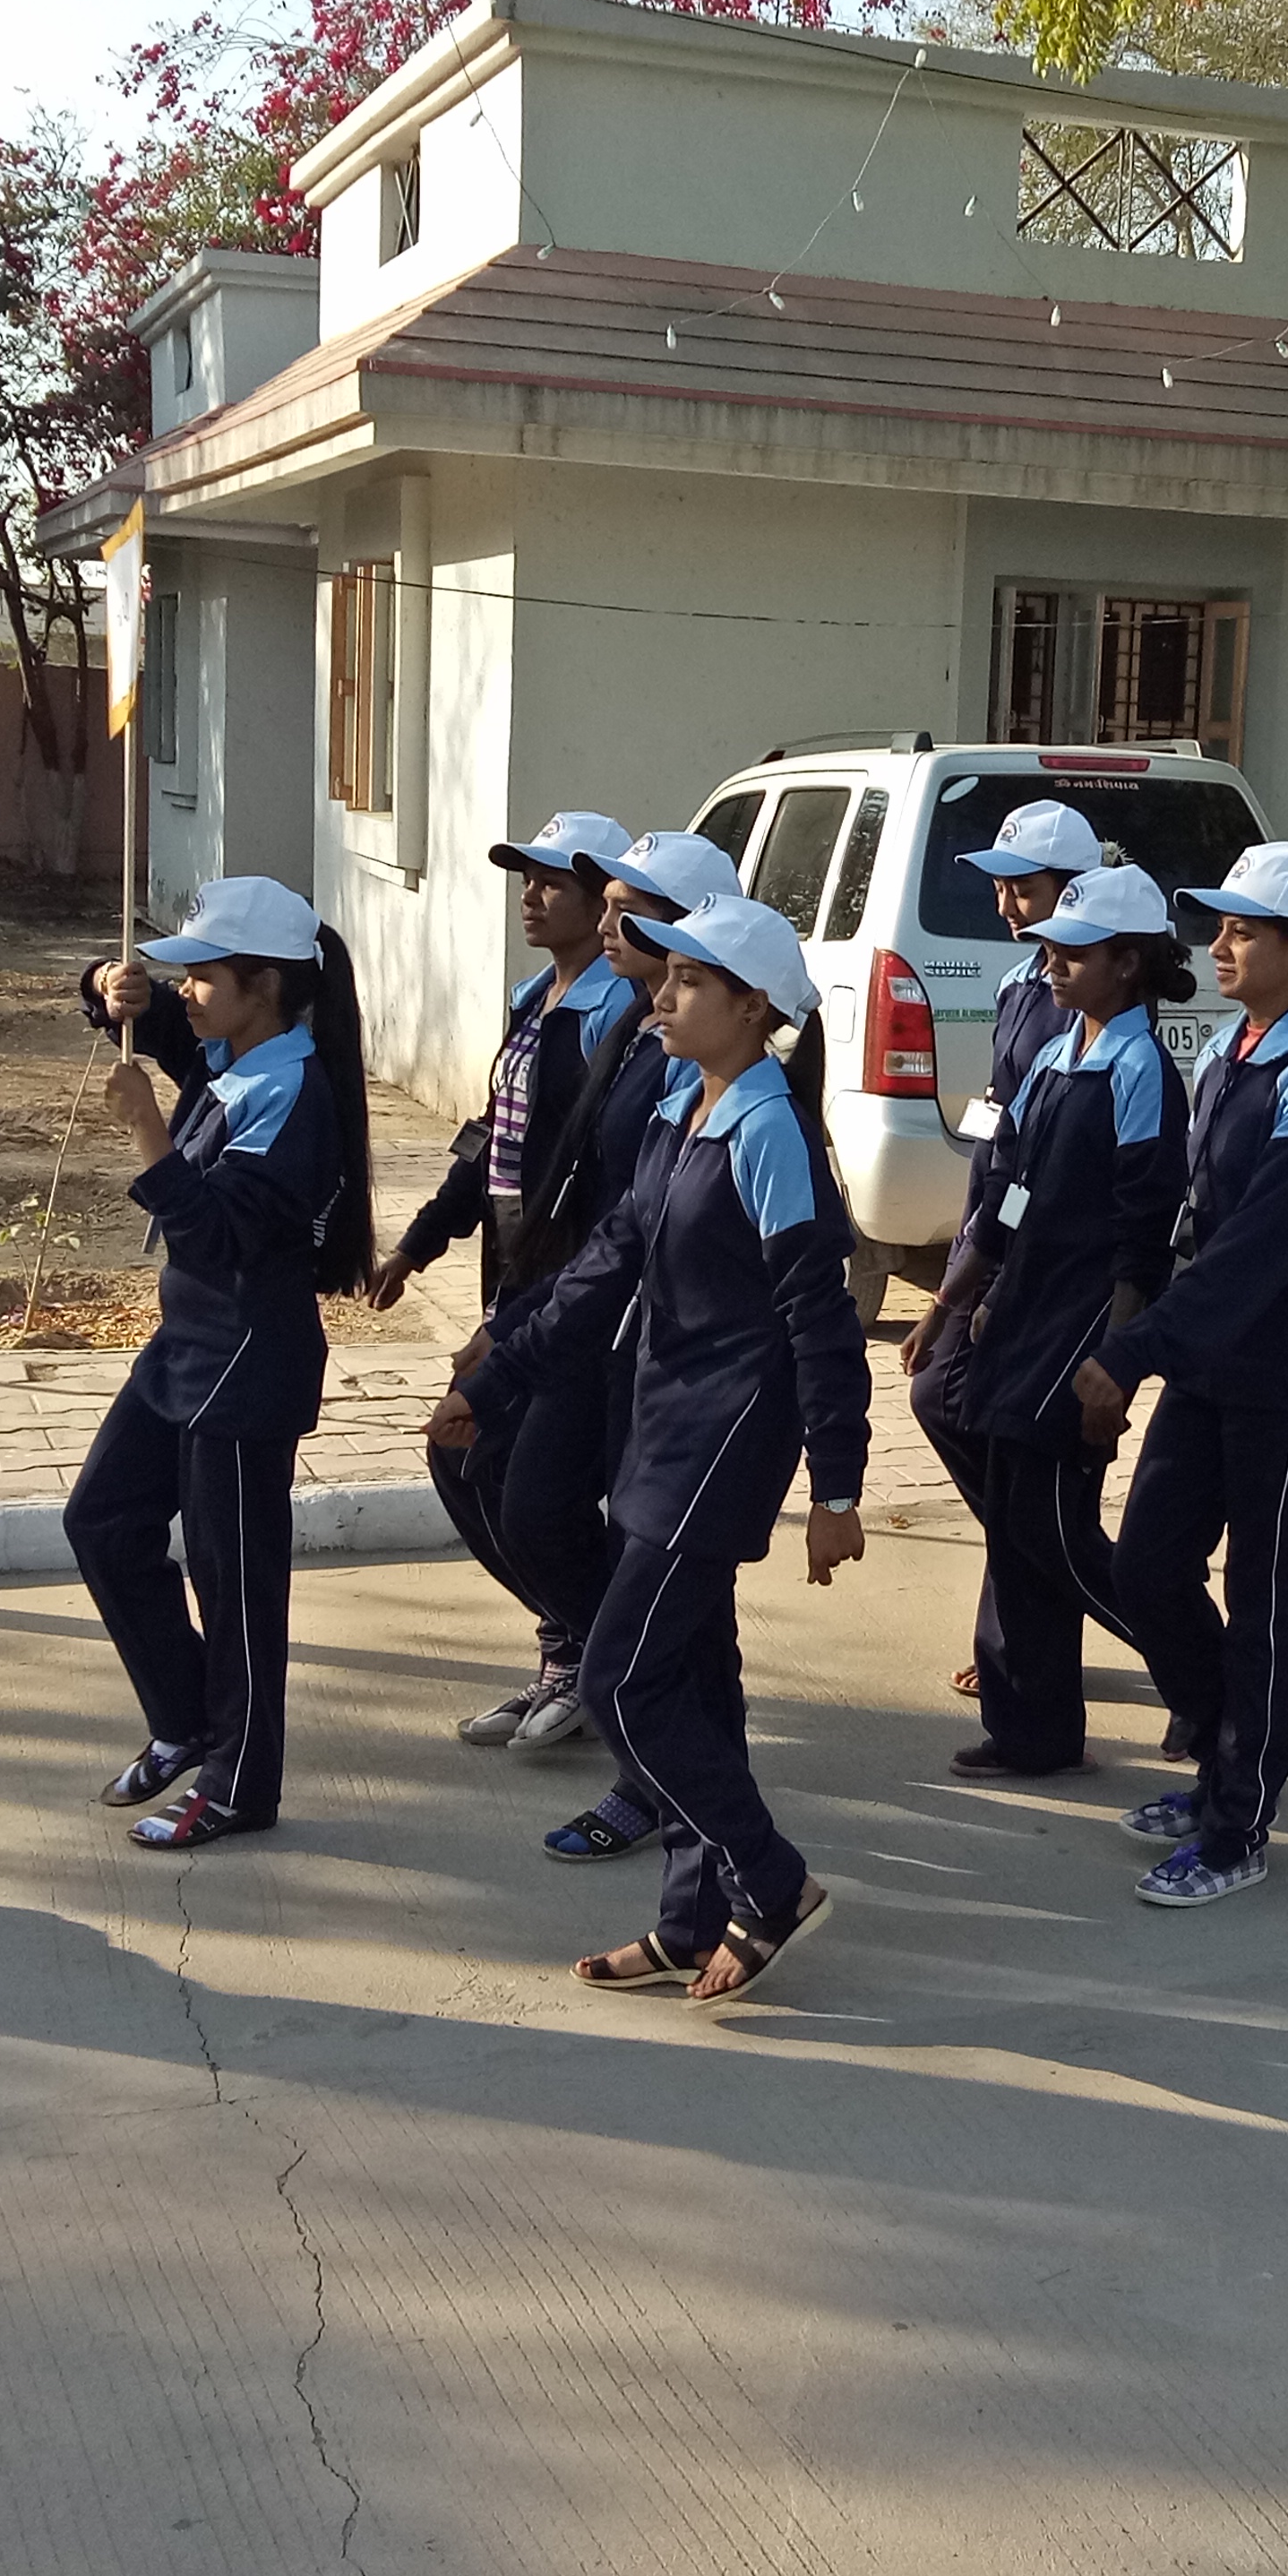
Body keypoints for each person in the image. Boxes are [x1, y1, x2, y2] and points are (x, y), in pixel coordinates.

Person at [434, 892, 866, 2006]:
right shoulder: (685, 1108)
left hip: (724, 1444)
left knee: (620, 1680)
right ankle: (688, 1918)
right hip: (660, 1426)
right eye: (664, 977)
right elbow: (598, 1274)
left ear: (752, 1006)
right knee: (694, 1684)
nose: (660, 998)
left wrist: (836, 1486)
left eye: (687, 982)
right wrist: (492, 1380)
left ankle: (770, 1882)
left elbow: (822, 1322)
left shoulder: (770, 1131)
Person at [1075, 843, 1288, 1908]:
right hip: (1210, 1355)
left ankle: (1235, 1827)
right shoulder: (1235, 1045)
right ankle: (1224, 1751)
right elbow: (1194, 1215)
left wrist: (1134, 1350)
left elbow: (1262, 1243)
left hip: (1287, 1368)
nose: (1217, 946)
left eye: (1241, 930)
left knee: (1260, 1593)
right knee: (1145, 1569)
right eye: (1217, 926)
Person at [68, 877, 374, 1848]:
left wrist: (147, 1132)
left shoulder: (292, 1092)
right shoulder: (233, 1052)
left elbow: (215, 1236)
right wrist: (105, 984)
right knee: (102, 1520)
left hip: (247, 1362)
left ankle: (241, 1785)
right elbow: (149, 1019)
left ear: (265, 986)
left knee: (234, 1584)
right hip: (188, 1348)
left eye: (203, 976)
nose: (185, 993)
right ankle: (188, 1719)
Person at [374, 811, 647, 1748]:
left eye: (551, 884)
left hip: (574, 1302)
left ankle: (609, 1663)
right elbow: (489, 1143)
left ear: (605, 905)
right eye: (525, 879)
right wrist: (419, 1243)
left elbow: (599, 1197)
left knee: (532, 1492)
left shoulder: (615, 1023)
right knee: (464, 1461)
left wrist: (522, 1317)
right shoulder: (537, 1001)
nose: (530, 897)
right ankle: (570, 1653)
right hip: (518, 1283)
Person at [916, 862, 1191, 1776]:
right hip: (1022, 1313)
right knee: (1014, 1525)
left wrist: (1118, 1359)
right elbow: (1007, 1195)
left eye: (1075, 952)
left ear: (1129, 962)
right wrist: (955, 1301)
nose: (1053, 965)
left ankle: (1204, 1676)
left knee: (1051, 1532)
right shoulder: (1053, 1056)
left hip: (1083, 1322)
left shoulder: (1141, 1068)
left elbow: (1144, 1229)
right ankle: (1031, 1730)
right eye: (1050, 950)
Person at [524, 824, 740, 1865]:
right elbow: (612, 1212)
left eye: (632, 911)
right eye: (606, 907)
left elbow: (803, 1296)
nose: (608, 924)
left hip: (681, 1370)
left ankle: (677, 1799)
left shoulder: (727, 1080)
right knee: (613, 1562)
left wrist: (835, 1480)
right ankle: (695, 1798)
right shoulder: (644, 1031)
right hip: (617, 1336)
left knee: (671, 1600)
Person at [899, 796, 1102, 1706]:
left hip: (1041, 1260)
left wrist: (985, 1278)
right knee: (958, 1416)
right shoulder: (1024, 985)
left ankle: (1050, 1616)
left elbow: (1054, 1162)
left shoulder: (1081, 1002)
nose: (1005, 906)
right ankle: (1027, 1609)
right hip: (991, 1234)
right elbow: (1001, 1133)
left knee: (1005, 1447)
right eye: (1001, 887)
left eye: (1023, 888)